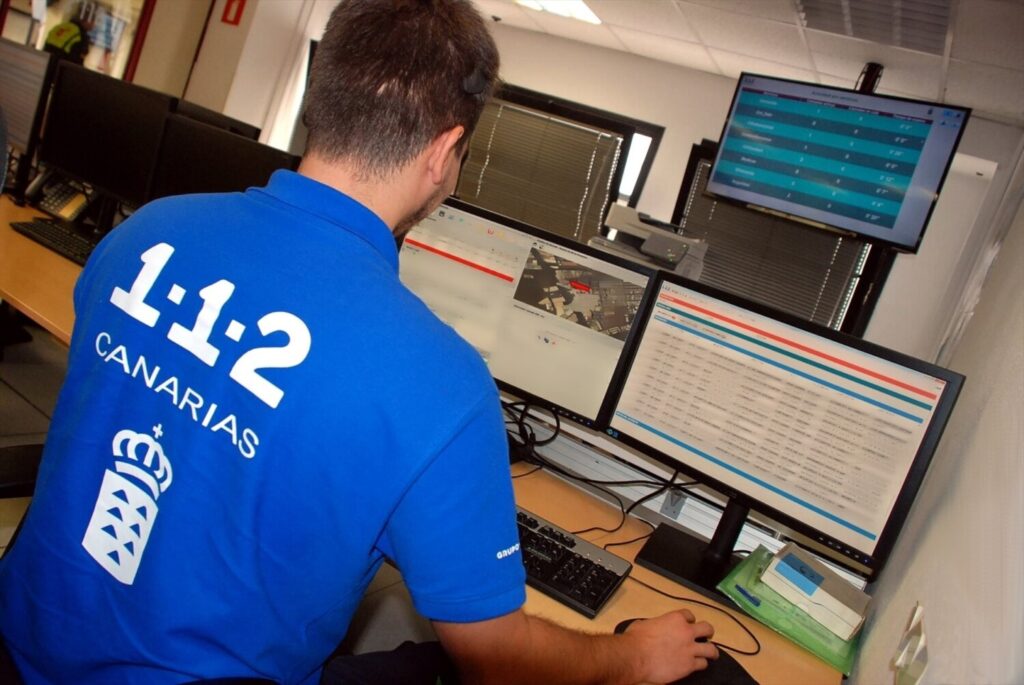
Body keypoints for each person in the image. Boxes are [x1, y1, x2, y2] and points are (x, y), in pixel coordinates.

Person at [0, 1, 719, 683]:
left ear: (320, 98)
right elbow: (498, 660)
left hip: (21, 638)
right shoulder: (441, 385)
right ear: (445, 153)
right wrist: (631, 659)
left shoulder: (148, 232)